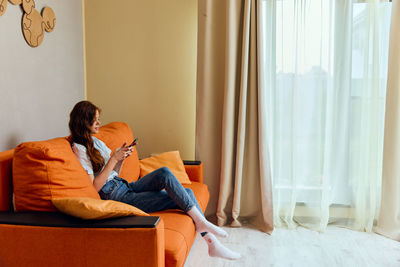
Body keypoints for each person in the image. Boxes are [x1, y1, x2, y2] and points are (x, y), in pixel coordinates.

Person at [69, 100, 241, 260]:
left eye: (99, 119)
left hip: (123, 186)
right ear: (84, 122)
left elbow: (115, 175)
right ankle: (210, 238)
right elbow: (95, 187)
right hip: (115, 196)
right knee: (185, 193)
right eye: (95, 120)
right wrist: (114, 159)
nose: (99, 123)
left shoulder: (96, 141)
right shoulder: (79, 149)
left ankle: (205, 230)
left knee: (165, 173)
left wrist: (120, 160)